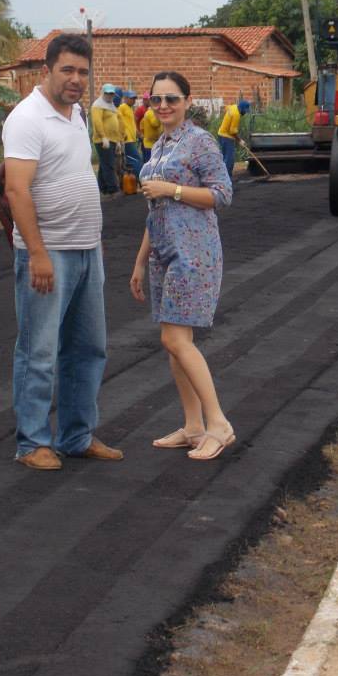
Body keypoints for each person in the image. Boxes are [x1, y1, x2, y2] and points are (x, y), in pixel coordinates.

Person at [2, 33, 123, 470]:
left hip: (86, 251)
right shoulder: (27, 118)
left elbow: (78, 178)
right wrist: (37, 254)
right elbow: (17, 189)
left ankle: (76, 436)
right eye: (67, 70)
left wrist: (95, 243)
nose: (76, 79)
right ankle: (32, 442)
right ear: (46, 71)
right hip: (48, 253)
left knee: (88, 348)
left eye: (83, 72)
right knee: (38, 350)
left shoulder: (75, 116)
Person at [129, 71, 235, 461]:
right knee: (175, 345)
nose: (163, 106)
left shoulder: (199, 141)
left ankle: (218, 424)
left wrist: (172, 189)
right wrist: (140, 262)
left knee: (175, 340)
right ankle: (193, 426)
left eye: (171, 98)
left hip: (194, 254)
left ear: (188, 101)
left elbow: (222, 194)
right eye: (156, 100)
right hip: (163, 254)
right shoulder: (157, 147)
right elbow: (154, 209)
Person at [91, 83, 121, 196]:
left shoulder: (111, 105)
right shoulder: (97, 105)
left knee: (105, 164)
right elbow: (97, 122)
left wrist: (117, 141)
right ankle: (112, 189)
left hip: (112, 140)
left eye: (112, 93)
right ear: (103, 92)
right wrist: (103, 137)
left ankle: (103, 188)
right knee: (109, 164)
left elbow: (115, 123)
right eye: (107, 93)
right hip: (102, 140)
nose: (109, 95)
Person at [217, 99, 250, 179]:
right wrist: (240, 140)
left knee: (224, 158)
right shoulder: (236, 115)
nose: (245, 113)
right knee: (229, 160)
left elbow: (226, 108)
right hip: (227, 137)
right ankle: (227, 179)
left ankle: (221, 177)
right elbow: (232, 131)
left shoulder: (233, 107)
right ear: (241, 109)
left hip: (221, 134)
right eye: (245, 111)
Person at [118, 90, 143, 178]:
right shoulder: (122, 107)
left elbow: (131, 123)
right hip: (127, 140)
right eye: (131, 98)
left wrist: (137, 133)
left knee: (134, 159)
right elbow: (118, 119)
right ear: (125, 98)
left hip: (132, 139)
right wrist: (123, 134)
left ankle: (135, 179)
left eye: (134, 99)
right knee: (135, 159)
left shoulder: (129, 108)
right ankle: (140, 179)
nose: (133, 100)